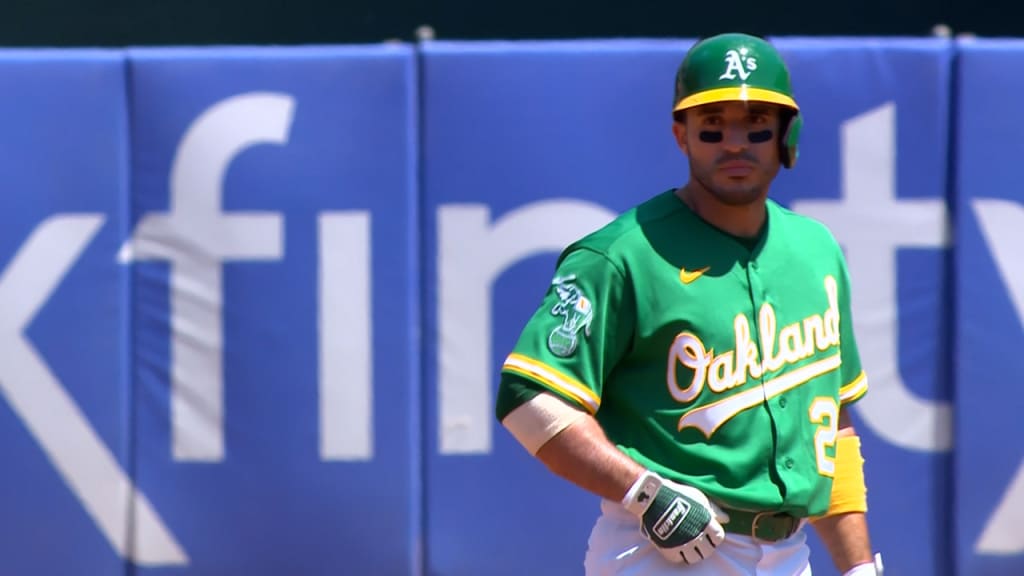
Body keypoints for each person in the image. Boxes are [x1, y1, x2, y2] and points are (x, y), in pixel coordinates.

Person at [494, 33, 883, 575]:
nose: (735, 144)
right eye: (712, 127)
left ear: (786, 135)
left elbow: (833, 433)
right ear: (681, 136)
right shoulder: (621, 254)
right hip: (662, 551)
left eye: (755, 126)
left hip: (790, 556)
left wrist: (859, 567)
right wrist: (643, 492)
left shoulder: (817, 252)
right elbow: (529, 401)